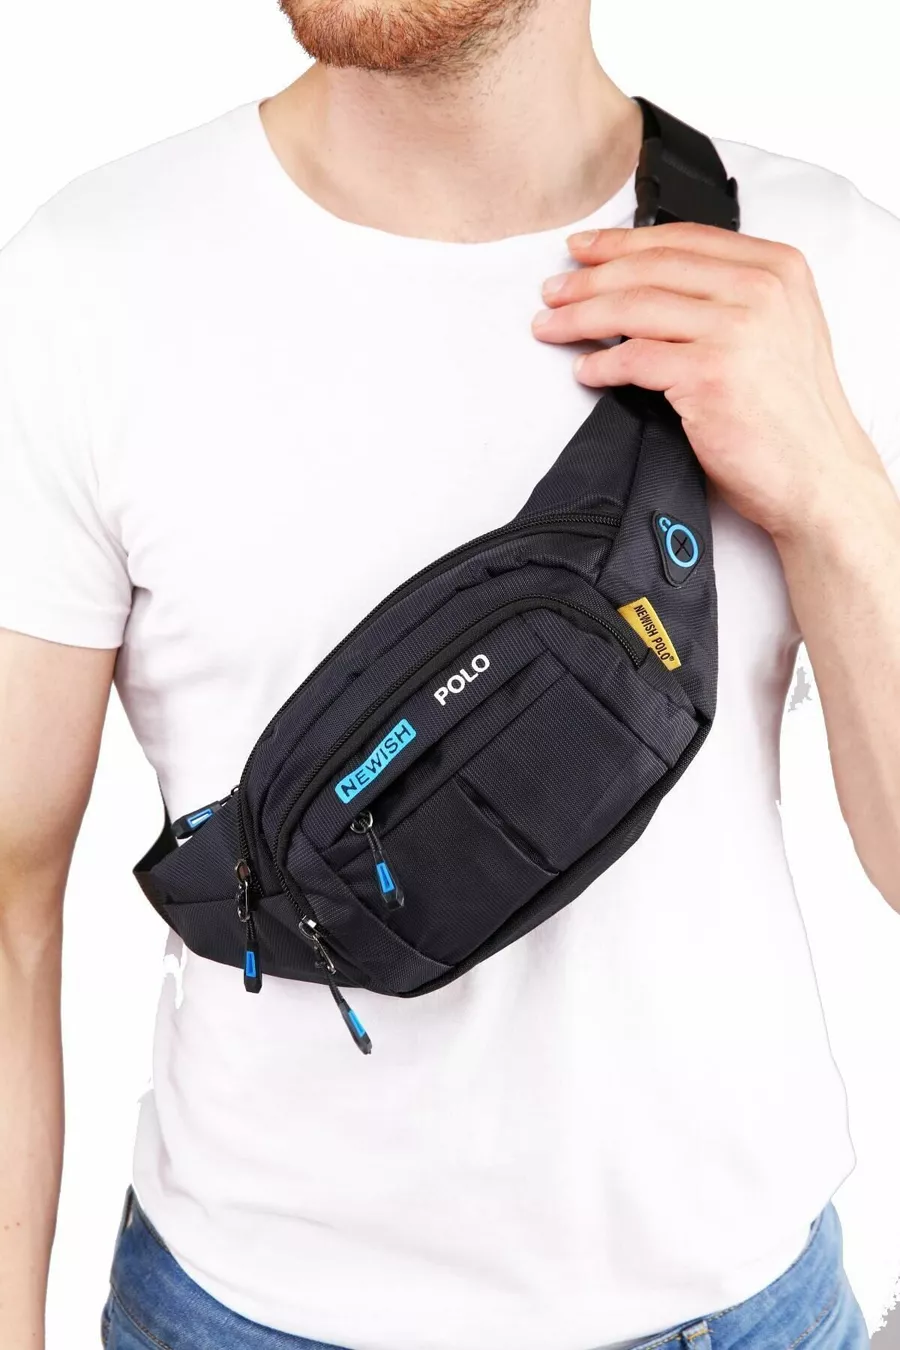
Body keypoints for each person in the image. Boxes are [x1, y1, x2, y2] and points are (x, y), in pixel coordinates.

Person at [1, 0, 899, 1345]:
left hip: (748, 1306)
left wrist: (834, 489)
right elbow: (8, 914)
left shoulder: (820, 265)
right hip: (245, 1310)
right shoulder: (87, 284)